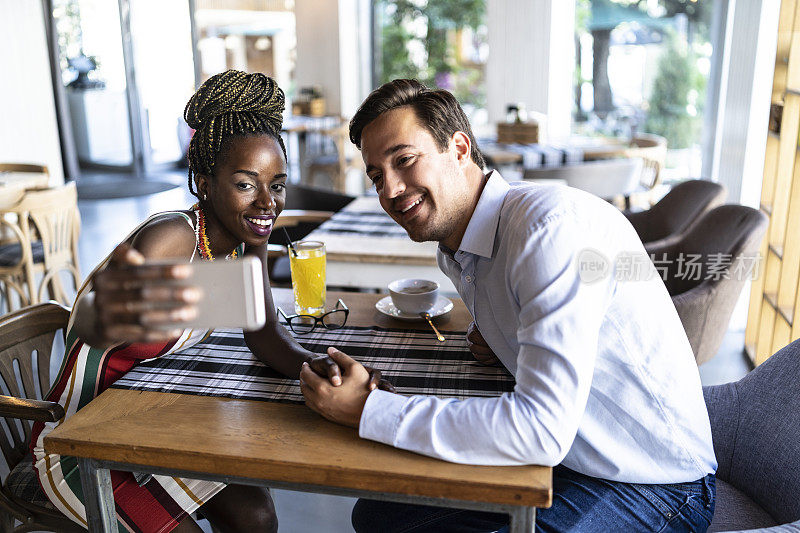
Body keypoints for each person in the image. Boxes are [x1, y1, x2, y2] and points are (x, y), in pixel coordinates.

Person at [300, 79, 718, 532]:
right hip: (572, 457)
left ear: (459, 148)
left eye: (404, 160)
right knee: (379, 515)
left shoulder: (547, 231)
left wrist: (368, 410)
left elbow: (540, 430)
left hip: (655, 483)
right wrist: (496, 337)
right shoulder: (457, 245)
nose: (390, 190)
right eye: (377, 175)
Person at [30, 70, 380, 533]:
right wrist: (109, 311)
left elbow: (261, 329)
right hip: (84, 440)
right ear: (204, 181)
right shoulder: (170, 239)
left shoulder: (245, 235)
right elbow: (96, 321)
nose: (266, 204)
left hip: (159, 419)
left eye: (276, 185)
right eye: (245, 183)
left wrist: (313, 363)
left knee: (256, 519)